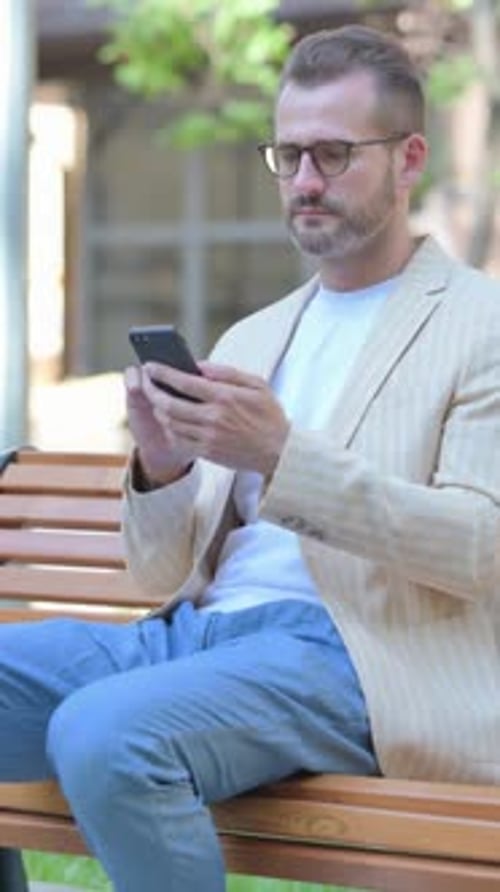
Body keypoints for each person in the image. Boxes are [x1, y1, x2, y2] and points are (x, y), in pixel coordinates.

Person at [1, 23, 500, 892]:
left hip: (358, 658)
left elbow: (478, 547)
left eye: (335, 155)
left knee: (105, 731)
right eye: (290, 155)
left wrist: (280, 456)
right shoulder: (258, 334)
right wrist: (164, 467)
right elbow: (161, 572)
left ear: (411, 156)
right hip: (196, 640)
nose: (304, 182)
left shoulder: (479, 325)